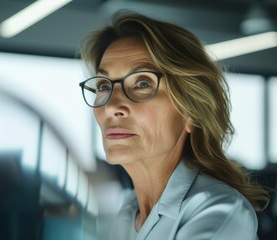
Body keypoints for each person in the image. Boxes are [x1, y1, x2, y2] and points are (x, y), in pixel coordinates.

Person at [78, 11, 270, 240]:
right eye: (103, 86)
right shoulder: (125, 214)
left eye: (142, 83)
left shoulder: (220, 211)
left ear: (191, 111)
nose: (111, 106)